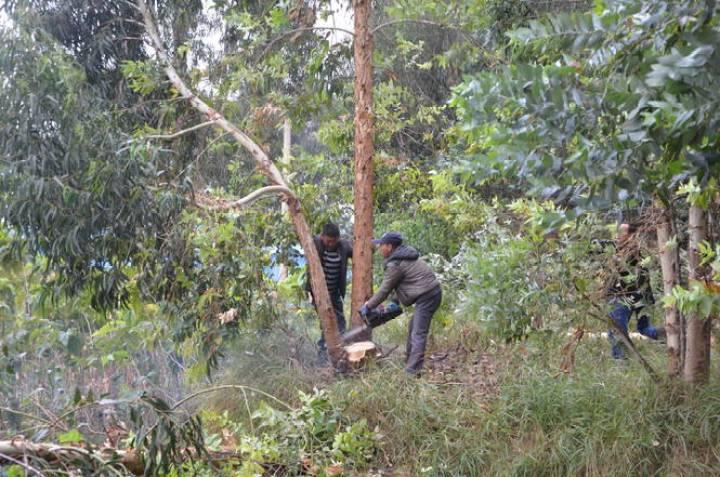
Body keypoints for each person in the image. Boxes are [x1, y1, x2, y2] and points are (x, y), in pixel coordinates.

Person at [361, 232, 442, 375]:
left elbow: (385, 289)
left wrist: (368, 306)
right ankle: (410, 363)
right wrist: (394, 302)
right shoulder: (403, 257)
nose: (379, 249)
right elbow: (403, 283)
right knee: (413, 329)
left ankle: (412, 372)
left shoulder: (396, 263)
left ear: (389, 246)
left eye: (381, 245)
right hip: (430, 294)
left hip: (428, 296)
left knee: (418, 333)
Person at [604, 222, 664, 359]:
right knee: (644, 329)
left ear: (632, 236)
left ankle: (621, 361)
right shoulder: (635, 252)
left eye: (621, 233)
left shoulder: (630, 252)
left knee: (616, 330)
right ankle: (675, 335)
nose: (617, 236)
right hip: (640, 296)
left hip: (625, 296)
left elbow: (625, 273)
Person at [306, 223, 353, 362]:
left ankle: (340, 353)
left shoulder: (343, 246)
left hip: (334, 293)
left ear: (338, 238)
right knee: (327, 324)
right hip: (319, 294)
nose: (331, 244)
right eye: (328, 241)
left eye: (334, 241)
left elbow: (359, 249)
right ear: (322, 237)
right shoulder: (315, 243)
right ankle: (322, 356)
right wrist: (310, 292)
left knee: (341, 322)